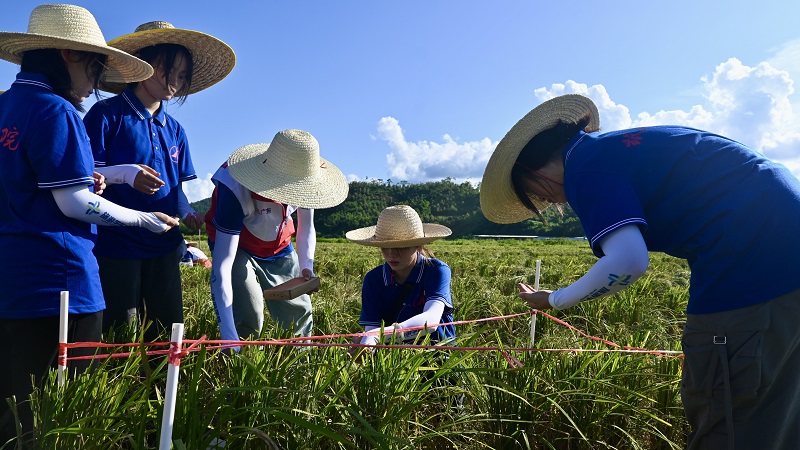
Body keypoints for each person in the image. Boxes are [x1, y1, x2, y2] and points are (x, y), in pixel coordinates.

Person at [480, 94, 800, 449]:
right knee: (777, 409)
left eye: (538, 196)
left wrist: (554, 299)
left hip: (750, 267)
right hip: (786, 255)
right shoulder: (614, 150)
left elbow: (628, 262)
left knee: (723, 410)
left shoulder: (585, 167)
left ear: (532, 173)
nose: (556, 202)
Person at [0, 4, 179, 445]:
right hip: (59, 284)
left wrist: (97, 177)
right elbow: (75, 202)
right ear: (69, 55)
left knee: (15, 410)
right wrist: (143, 219)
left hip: (11, 283)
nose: (97, 82)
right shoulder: (55, 111)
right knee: (66, 413)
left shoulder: (7, 105)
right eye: (97, 66)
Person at [83, 20, 235, 342]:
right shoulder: (106, 115)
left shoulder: (175, 130)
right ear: (144, 65)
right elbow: (86, 179)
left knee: (166, 331)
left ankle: (158, 392)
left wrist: (188, 212)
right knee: (118, 333)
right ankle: (118, 392)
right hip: (116, 244)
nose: (176, 83)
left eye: (183, 76)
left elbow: (176, 189)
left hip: (165, 245)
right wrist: (125, 175)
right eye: (170, 71)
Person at [205, 129, 348, 348]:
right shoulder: (234, 186)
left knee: (298, 312)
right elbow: (222, 267)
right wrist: (228, 337)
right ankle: (239, 360)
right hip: (238, 246)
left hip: (279, 245)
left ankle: (300, 367)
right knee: (249, 311)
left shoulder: (304, 180)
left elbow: (306, 226)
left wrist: (306, 266)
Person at [346, 205, 455, 347]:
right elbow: (372, 329)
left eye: (401, 246)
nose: (392, 253)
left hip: (438, 358)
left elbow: (431, 320)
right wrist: (366, 347)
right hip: (392, 362)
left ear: (418, 246)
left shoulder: (436, 270)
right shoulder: (374, 279)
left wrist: (378, 336)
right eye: (385, 246)